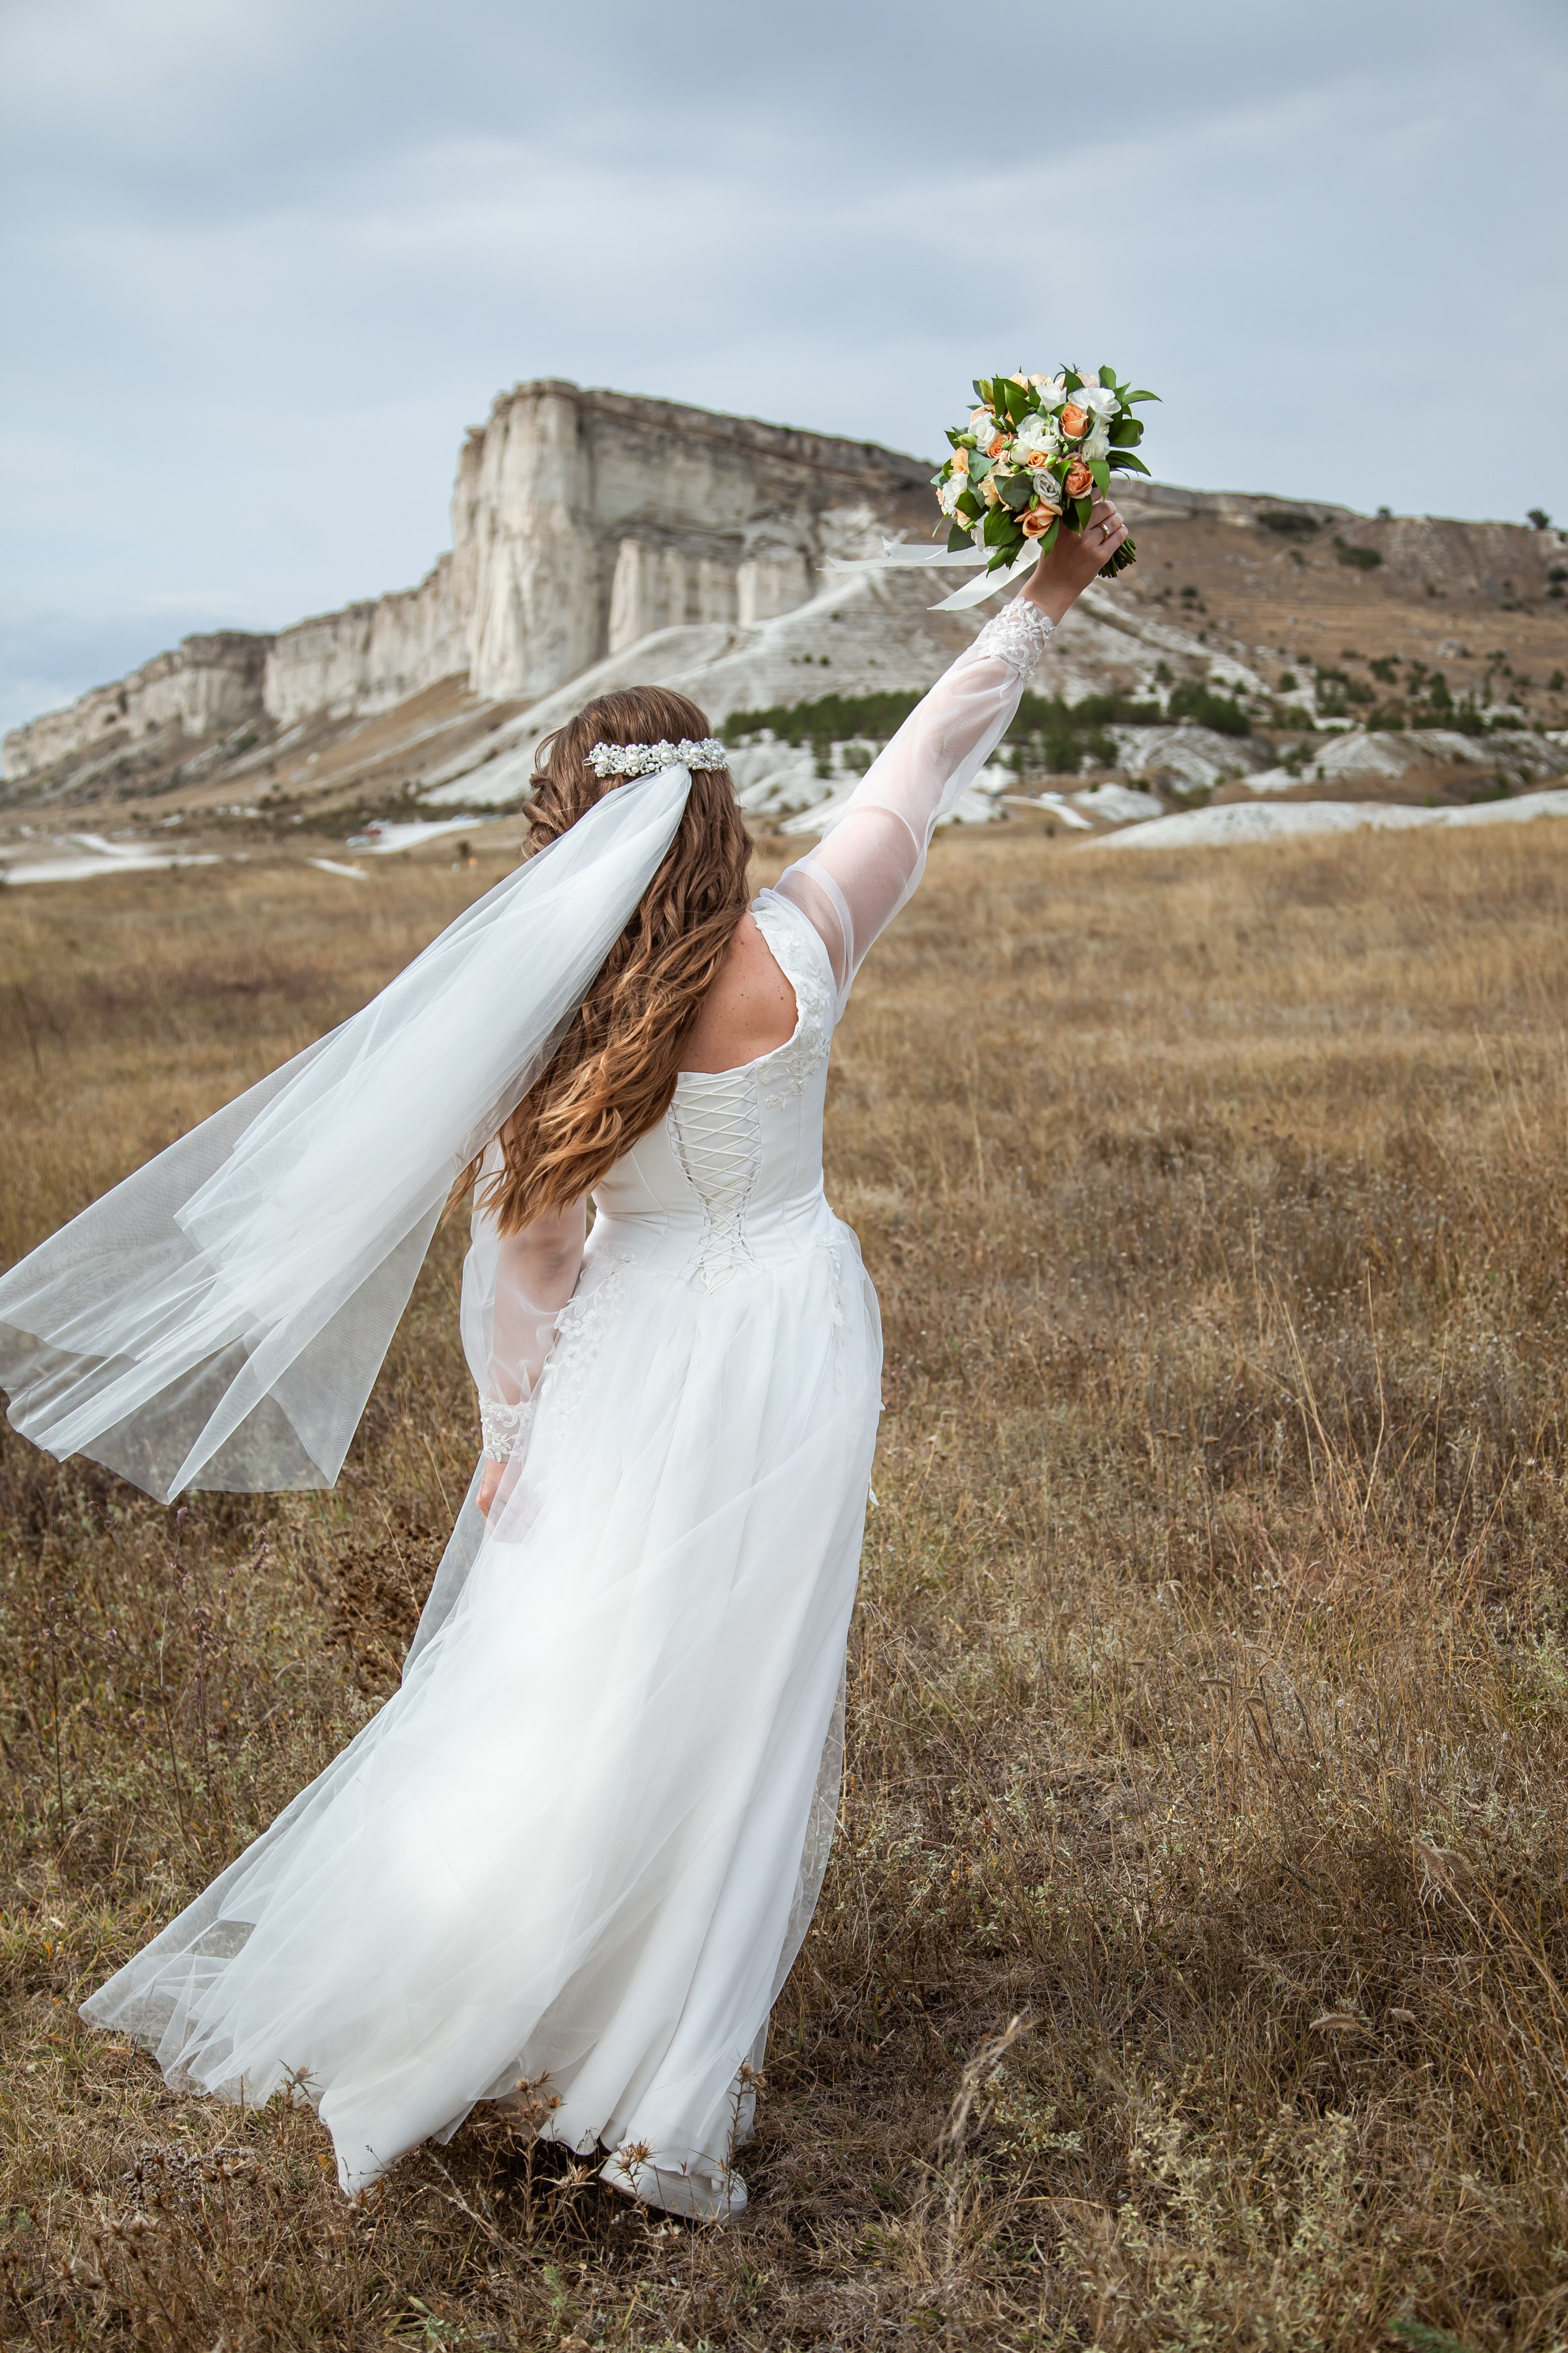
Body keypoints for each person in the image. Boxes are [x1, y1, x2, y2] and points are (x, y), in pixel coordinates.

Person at [0, 499, 1128, 2220]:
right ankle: (666, 2078)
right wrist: (1040, 598)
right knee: (745, 1703)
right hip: (795, 1338)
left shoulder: (547, 1028)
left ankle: (501, 1988)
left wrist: (511, 1432)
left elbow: (521, 1262)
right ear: (717, 814)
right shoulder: (802, 944)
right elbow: (923, 763)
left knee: (568, 1670)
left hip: (634, 1353)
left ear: (561, 835)